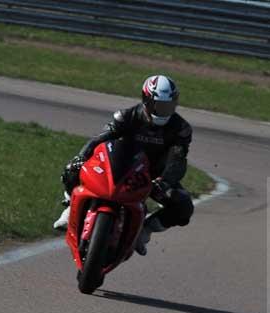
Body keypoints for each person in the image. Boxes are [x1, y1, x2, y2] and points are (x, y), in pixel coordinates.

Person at [53, 75, 194, 255]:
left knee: (183, 206)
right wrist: (81, 157)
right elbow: (99, 139)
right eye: (159, 106)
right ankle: (70, 207)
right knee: (73, 169)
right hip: (119, 164)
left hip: (153, 175)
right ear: (147, 100)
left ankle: (144, 231)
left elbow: (178, 160)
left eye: (169, 106)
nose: (164, 111)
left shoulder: (180, 128)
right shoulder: (127, 116)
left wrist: (164, 181)